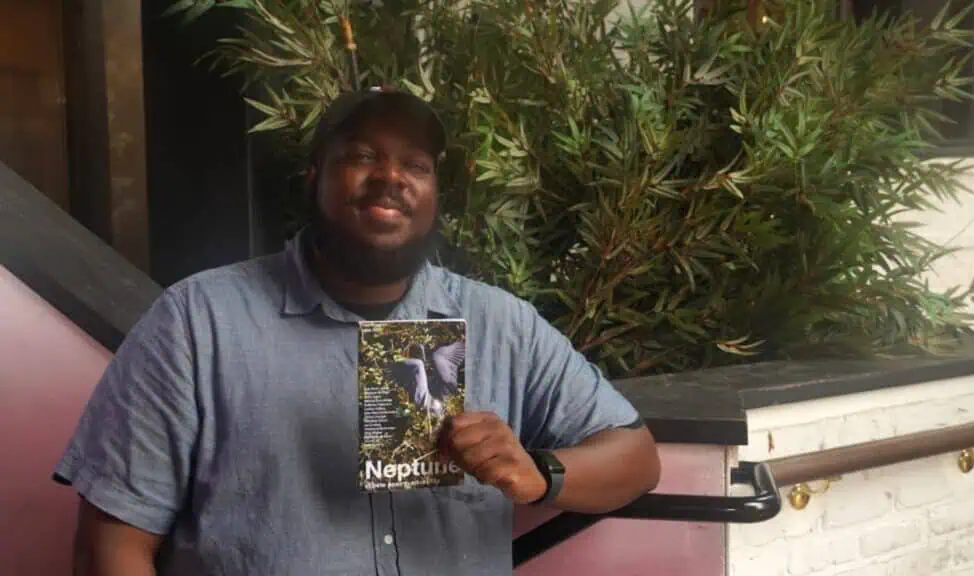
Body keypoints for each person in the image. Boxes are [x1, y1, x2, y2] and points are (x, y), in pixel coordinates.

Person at [56, 88, 661, 576]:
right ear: (315, 174)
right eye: (363, 156)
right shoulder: (196, 323)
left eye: (415, 165)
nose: (390, 177)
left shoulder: (499, 324)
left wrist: (542, 474)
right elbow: (109, 546)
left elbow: (636, 458)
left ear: (433, 196)